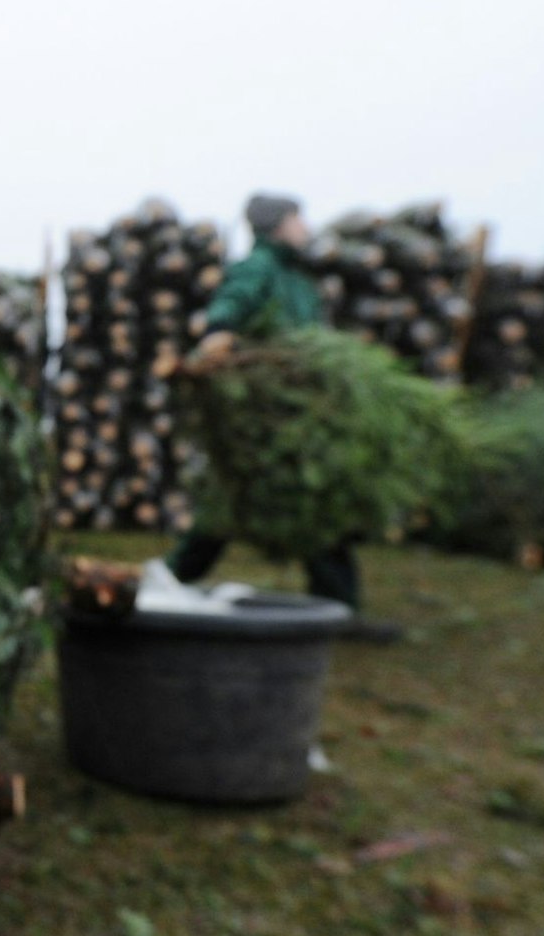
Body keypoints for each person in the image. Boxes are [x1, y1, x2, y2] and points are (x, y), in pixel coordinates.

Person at [168, 194, 396, 638]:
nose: (305, 226)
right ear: (276, 225)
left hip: (301, 407)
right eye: (297, 219)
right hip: (268, 410)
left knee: (307, 501)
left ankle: (338, 608)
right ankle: (163, 580)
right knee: (234, 501)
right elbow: (232, 302)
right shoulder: (260, 268)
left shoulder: (298, 276)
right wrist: (219, 332)